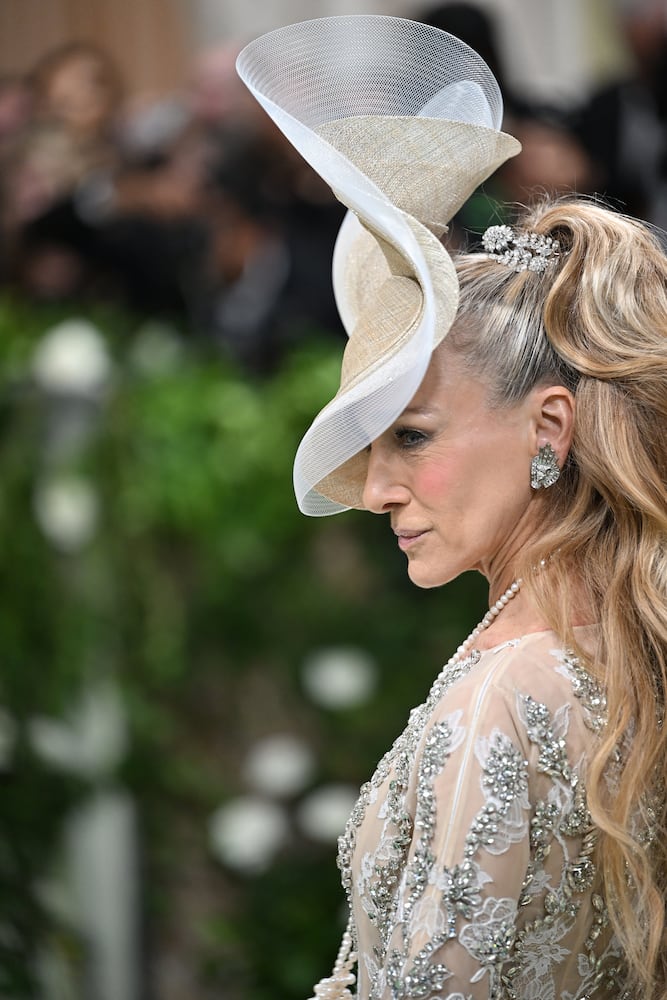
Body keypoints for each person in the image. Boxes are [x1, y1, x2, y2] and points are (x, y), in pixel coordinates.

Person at [237, 15, 667, 999]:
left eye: (414, 436)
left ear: (548, 428)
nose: (378, 489)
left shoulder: (497, 705)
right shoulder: (619, 650)